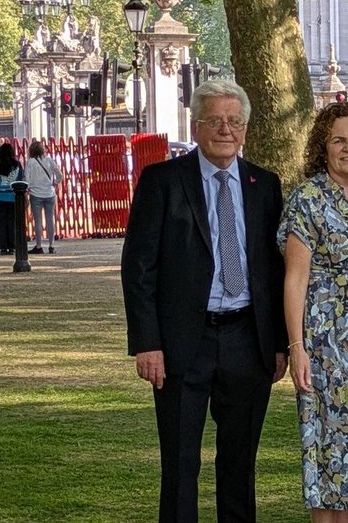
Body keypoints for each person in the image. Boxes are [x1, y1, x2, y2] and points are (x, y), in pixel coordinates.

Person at [121, 79, 288, 522]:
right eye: (214, 120)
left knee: (240, 465)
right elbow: (138, 268)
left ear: (246, 129)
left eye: (234, 121)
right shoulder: (162, 181)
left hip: (246, 341)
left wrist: (278, 344)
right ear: (196, 126)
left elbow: (274, 271)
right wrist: (146, 342)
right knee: (180, 465)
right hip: (180, 346)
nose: (225, 129)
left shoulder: (264, 185)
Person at [278, 102, 348, 521]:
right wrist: (297, 347)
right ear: (323, 147)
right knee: (328, 450)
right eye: (339, 140)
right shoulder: (306, 199)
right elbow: (294, 279)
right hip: (326, 339)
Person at [24, 140, 62, 254]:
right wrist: (55, 182)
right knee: (50, 219)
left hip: (36, 194)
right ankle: (51, 245)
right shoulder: (49, 160)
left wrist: (29, 188)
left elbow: (27, 179)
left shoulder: (30, 162)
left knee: (38, 220)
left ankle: (39, 245)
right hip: (50, 193)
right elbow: (59, 174)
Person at [0, 142, 23, 255]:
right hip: (12, 196)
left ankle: (3, 247)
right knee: (11, 221)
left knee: (1, 222)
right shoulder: (16, 163)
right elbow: (21, 178)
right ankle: (12, 246)